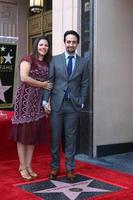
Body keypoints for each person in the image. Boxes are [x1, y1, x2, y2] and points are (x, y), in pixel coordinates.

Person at [43, 30, 89, 181]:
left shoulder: (83, 62)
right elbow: (50, 82)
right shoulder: (55, 60)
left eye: (73, 42)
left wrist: (82, 100)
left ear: (77, 43)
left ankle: (70, 168)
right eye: (68, 41)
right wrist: (45, 101)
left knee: (71, 138)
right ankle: (55, 167)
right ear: (65, 43)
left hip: (73, 106)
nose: (71, 44)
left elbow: (85, 83)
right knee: (55, 138)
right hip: (57, 105)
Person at [9, 36, 53, 181]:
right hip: (24, 101)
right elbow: (24, 78)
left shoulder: (47, 63)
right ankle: (22, 166)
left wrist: (47, 103)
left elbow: (50, 85)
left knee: (32, 135)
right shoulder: (28, 59)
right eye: (41, 44)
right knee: (23, 135)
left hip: (37, 102)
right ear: (36, 45)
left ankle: (28, 166)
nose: (43, 47)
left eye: (46, 45)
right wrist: (43, 85)